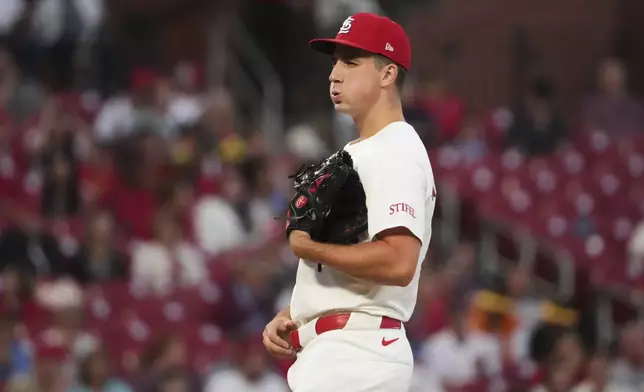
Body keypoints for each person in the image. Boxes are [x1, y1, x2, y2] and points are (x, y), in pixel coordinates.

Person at [262, 12, 436, 392]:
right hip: (341, 351)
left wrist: (311, 248)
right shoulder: (364, 150)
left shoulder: (395, 149)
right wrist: (299, 313)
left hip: (357, 353)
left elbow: (398, 260)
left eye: (351, 62)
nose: (334, 74)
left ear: (388, 74)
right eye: (334, 62)